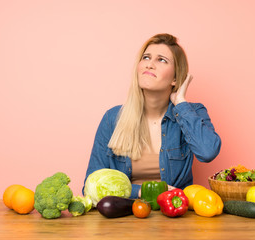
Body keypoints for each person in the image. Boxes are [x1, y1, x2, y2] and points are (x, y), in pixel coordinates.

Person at [84, 33, 221, 199]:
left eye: (161, 60)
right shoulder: (112, 118)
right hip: (127, 216)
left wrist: (180, 102)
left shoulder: (192, 113)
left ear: (176, 78)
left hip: (174, 215)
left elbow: (208, 152)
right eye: (146, 57)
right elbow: (91, 184)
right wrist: (144, 192)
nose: (149, 65)